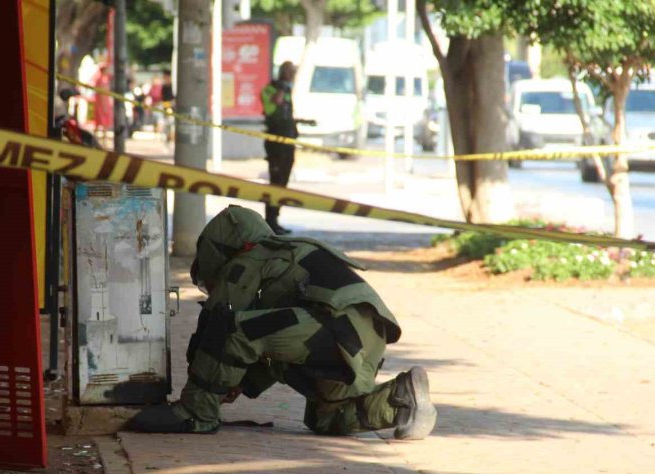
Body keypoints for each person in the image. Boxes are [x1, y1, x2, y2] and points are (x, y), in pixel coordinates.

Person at [131, 206, 437, 439]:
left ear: (220, 249)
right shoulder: (288, 251)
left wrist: (199, 391)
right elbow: (275, 349)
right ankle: (400, 399)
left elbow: (219, 320)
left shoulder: (252, 257)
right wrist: (242, 382)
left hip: (332, 327)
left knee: (233, 328)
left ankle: (195, 414)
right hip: (362, 341)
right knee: (326, 419)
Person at [260, 61, 298, 234]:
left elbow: (286, 112)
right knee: (275, 181)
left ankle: (275, 219)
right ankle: (270, 221)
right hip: (275, 144)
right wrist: (282, 88)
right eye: (290, 73)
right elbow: (274, 104)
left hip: (288, 141)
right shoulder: (270, 89)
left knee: (283, 182)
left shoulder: (288, 90)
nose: (292, 76)